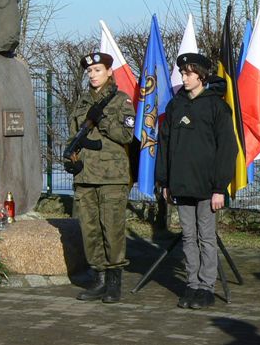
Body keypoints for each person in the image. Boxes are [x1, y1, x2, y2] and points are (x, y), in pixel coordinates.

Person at [155, 52, 238, 310]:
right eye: (182, 73)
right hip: (181, 183)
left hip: (206, 186)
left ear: (201, 76)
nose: (184, 77)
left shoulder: (216, 106)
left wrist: (219, 188)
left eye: (189, 73)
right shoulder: (175, 106)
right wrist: (165, 181)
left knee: (206, 237)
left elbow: (227, 149)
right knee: (188, 237)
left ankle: (206, 287)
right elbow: (165, 145)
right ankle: (192, 284)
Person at [65, 52, 136, 303]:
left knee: (113, 228)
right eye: (90, 71)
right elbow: (73, 135)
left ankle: (114, 281)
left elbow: (126, 136)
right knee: (89, 229)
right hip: (85, 175)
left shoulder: (121, 101)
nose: (93, 75)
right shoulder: (82, 102)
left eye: (97, 70)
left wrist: (102, 119)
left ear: (108, 72)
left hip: (111, 176)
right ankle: (99, 278)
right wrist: (69, 158)